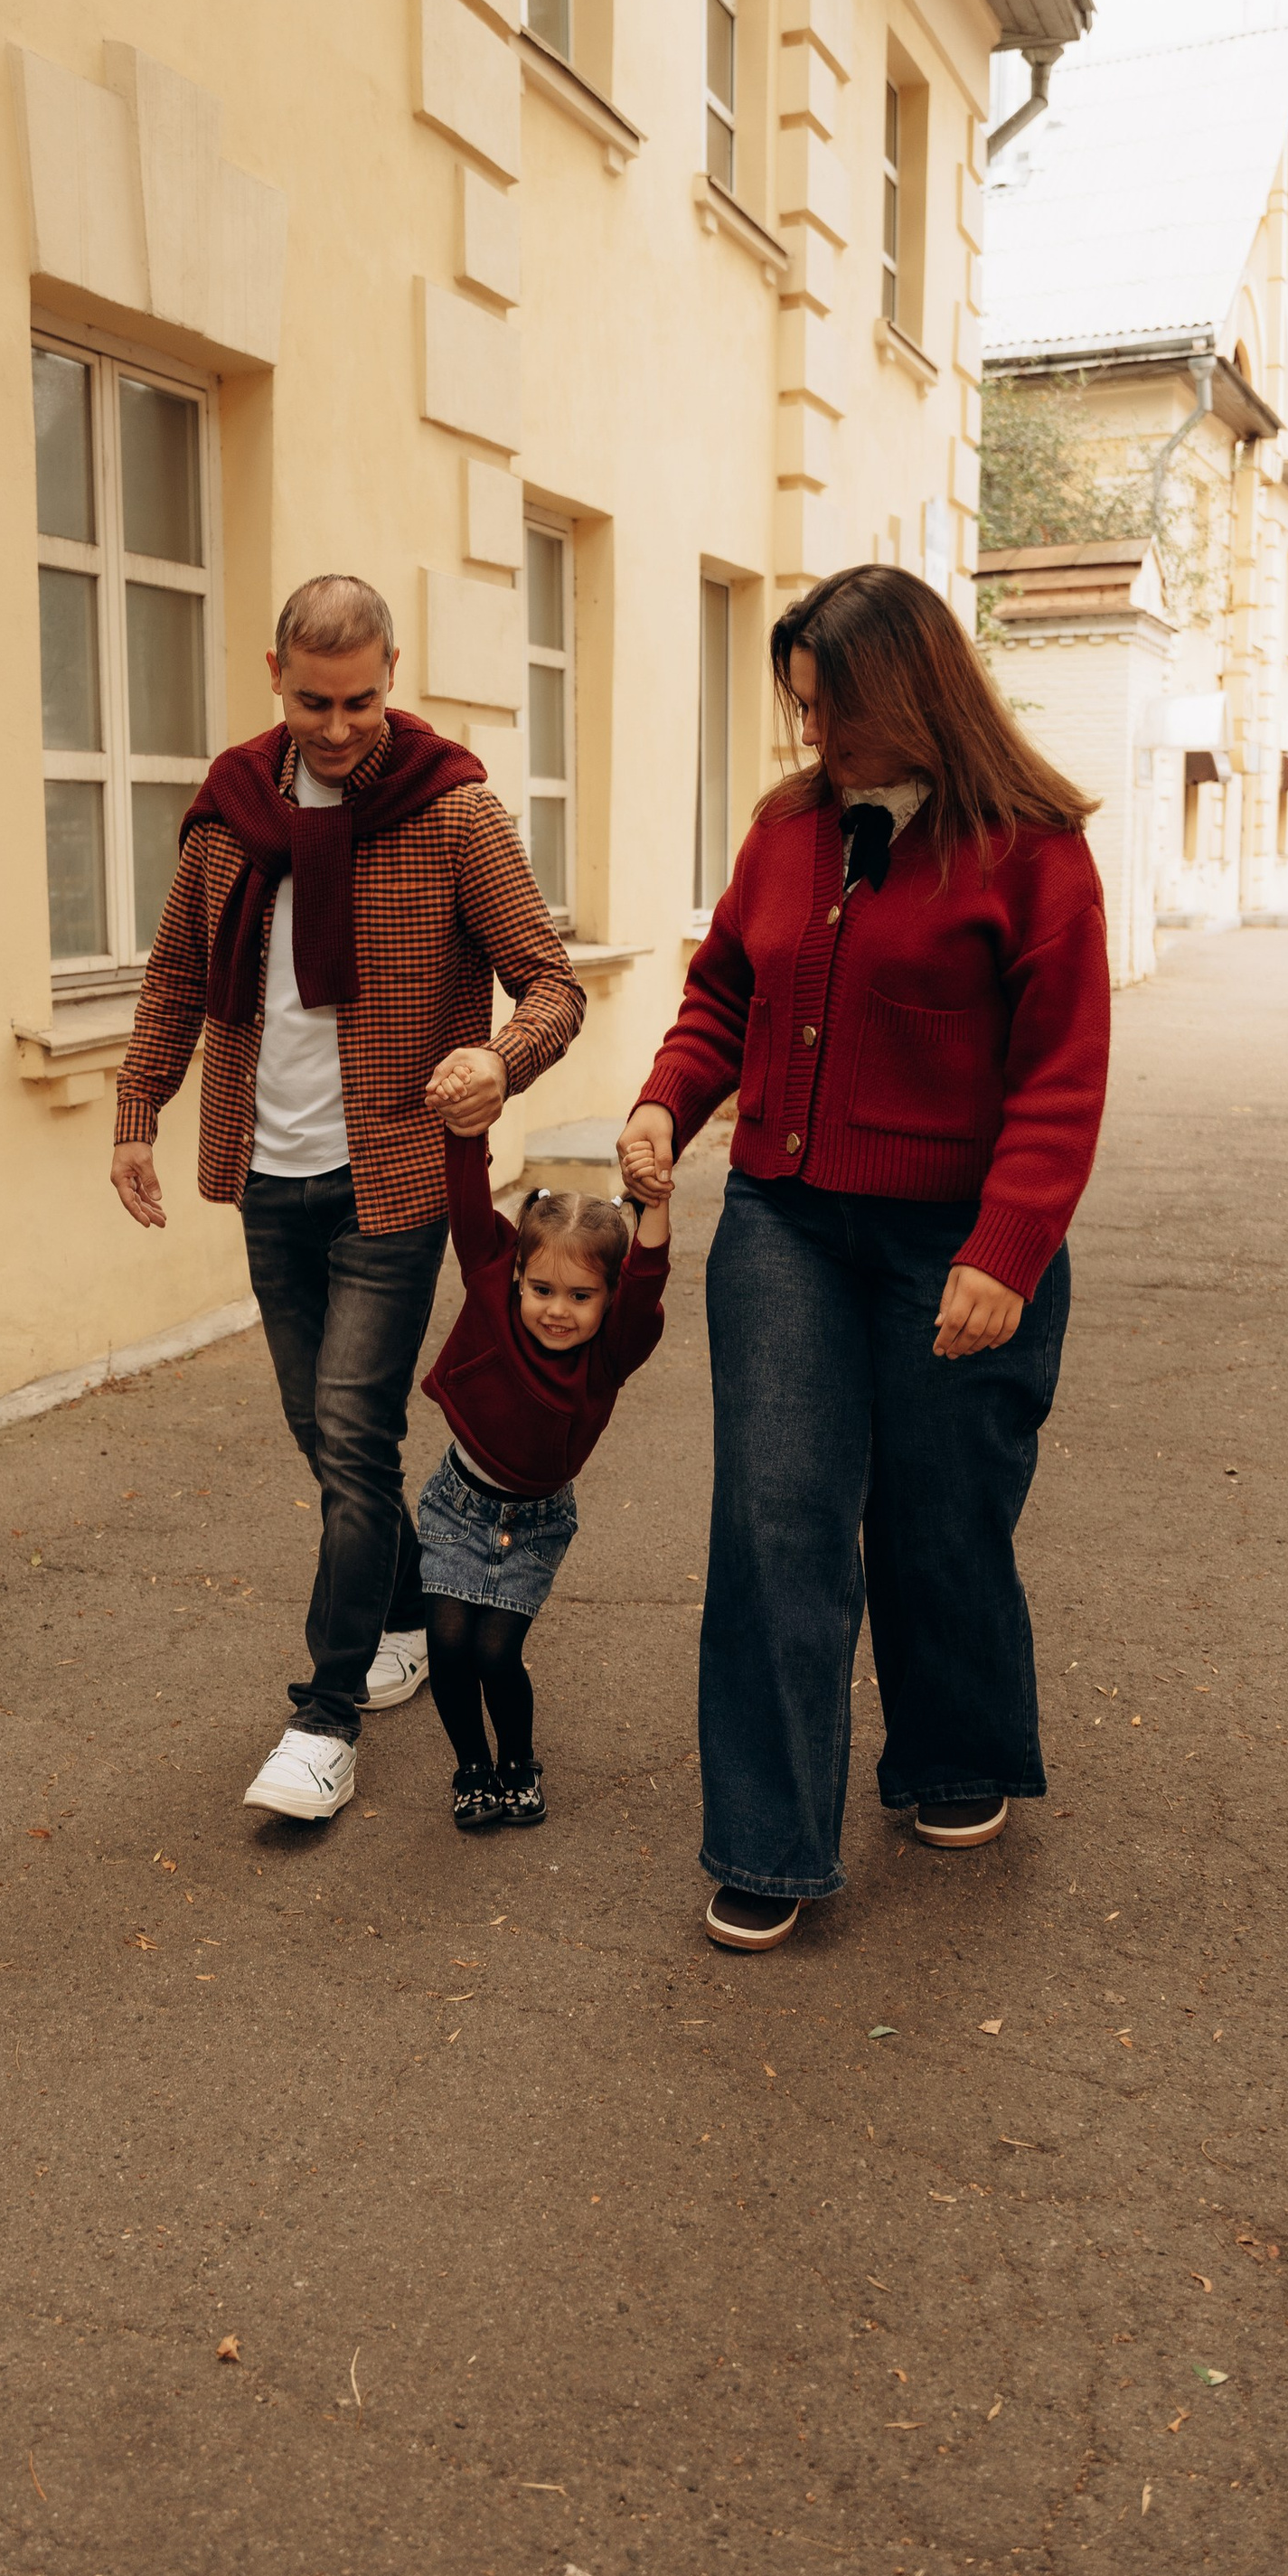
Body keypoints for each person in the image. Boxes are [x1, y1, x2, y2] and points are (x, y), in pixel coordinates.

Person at [616, 561, 1110, 1954]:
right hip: (785, 1221)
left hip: (957, 1238)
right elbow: (723, 988)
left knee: (943, 1517)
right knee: (777, 1521)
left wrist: (1008, 1247)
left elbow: (1062, 1077)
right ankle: (769, 1837)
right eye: (802, 708)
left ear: (917, 694)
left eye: (836, 710)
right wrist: (666, 1100)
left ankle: (954, 1753)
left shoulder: (1030, 850)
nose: (814, 739)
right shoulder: (790, 830)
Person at [111, 574, 585, 1823]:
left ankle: (324, 1720)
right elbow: (172, 981)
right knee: (322, 1440)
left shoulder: (453, 809)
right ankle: (403, 1610)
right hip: (269, 1176)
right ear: (275, 672)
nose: (338, 727)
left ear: (392, 673)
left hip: (395, 1174)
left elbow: (550, 983)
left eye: (363, 699)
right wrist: (134, 1114)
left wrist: (501, 1057)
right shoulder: (227, 812)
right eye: (315, 701)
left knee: (355, 1440)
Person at [412, 1114, 671, 1831]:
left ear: (608, 1300)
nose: (557, 1310)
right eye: (543, 1289)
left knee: (496, 1652)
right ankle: (473, 1769)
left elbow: (647, 1281)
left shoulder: (613, 1351)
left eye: (581, 1297)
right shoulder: (493, 1286)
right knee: (448, 1647)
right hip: (457, 1505)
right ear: (517, 1276)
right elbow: (467, 1206)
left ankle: (518, 1763)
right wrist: (468, 1129)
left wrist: (657, 1205)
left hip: (534, 1521)